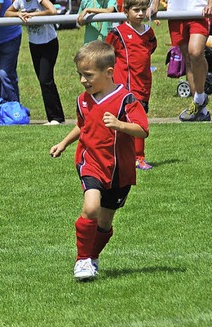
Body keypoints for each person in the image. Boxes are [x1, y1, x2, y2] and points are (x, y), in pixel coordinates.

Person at [49, 41, 149, 281]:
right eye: (80, 75)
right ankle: (81, 260)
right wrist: (63, 143)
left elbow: (142, 129)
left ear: (108, 73)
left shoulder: (126, 99)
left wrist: (120, 124)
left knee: (104, 224)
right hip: (90, 162)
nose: (83, 80)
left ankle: (91, 258)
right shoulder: (82, 100)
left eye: (88, 75)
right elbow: (82, 126)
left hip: (119, 170)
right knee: (91, 208)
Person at [106, 0, 156, 170]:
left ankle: (138, 157)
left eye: (143, 9)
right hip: (124, 86)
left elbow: (151, 48)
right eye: (136, 10)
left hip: (143, 84)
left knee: (139, 123)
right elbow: (106, 52)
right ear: (126, 11)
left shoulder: (149, 32)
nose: (141, 13)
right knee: (121, 122)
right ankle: (130, 156)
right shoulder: (118, 33)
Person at [150, 0, 212, 121]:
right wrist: (155, 4)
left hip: (199, 10)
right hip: (175, 12)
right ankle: (201, 111)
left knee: (195, 52)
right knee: (188, 58)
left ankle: (200, 98)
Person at [6, 0, 65, 125]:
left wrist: (34, 15)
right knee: (44, 81)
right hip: (34, 44)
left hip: (49, 43)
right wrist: (19, 14)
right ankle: (55, 117)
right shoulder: (20, 2)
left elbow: (53, 11)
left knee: (46, 80)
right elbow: (7, 13)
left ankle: (56, 118)